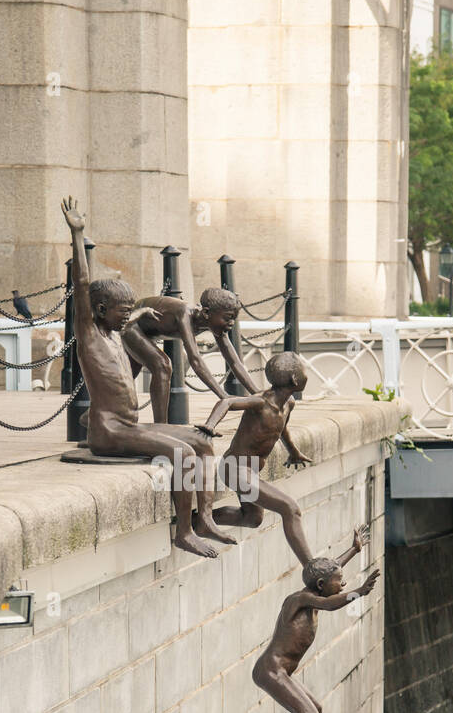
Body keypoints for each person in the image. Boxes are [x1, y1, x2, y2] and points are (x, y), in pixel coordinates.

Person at [61, 196, 231, 559]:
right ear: (101, 311)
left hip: (130, 426)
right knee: (183, 453)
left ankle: (204, 518)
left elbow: (131, 322)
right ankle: (183, 532)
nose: (127, 318)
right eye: (122, 312)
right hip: (111, 433)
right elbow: (81, 284)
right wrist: (78, 235)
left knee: (200, 442)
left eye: (129, 313)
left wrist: (137, 315)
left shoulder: (116, 335)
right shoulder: (91, 335)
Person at [234, 539, 379, 713]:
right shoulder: (300, 600)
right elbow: (330, 603)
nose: (343, 584)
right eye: (339, 582)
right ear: (321, 585)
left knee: (315, 710)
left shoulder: (318, 587)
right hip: (270, 670)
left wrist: (354, 549)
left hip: (280, 671)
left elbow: (333, 568)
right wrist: (358, 592)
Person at [194, 351, 314, 564]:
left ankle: (195, 521)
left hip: (250, 471)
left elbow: (281, 429)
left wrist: (293, 452)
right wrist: (210, 425)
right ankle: (311, 567)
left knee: (253, 518)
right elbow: (228, 402)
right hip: (235, 469)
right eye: (304, 371)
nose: (307, 375)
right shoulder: (261, 402)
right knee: (290, 508)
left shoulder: (289, 404)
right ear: (295, 379)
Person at [121, 286, 257, 422]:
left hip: (149, 331)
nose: (231, 323)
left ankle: (114, 411)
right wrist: (223, 395)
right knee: (162, 365)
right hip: (133, 324)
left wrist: (258, 393)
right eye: (228, 318)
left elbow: (235, 362)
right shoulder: (184, 313)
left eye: (234, 318)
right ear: (206, 312)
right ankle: (161, 425)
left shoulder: (216, 326)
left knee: (126, 377)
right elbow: (196, 360)